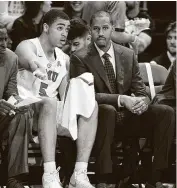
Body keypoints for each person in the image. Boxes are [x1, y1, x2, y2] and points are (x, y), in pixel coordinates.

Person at [70, 11, 175, 188]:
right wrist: (121, 99)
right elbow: (85, 96)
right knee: (108, 111)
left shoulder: (127, 54)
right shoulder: (79, 57)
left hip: (129, 116)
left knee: (165, 112)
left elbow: (141, 91)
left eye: (105, 28)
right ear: (90, 31)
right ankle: (105, 178)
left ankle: (156, 176)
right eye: (96, 29)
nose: (101, 33)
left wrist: (142, 102)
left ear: (112, 29)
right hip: (98, 118)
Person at [15, 9, 98, 188]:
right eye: (59, 28)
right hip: (24, 111)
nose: (64, 33)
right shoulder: (28, 45)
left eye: (67, 29)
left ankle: (80, 173)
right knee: (49, 102)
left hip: (49, 114)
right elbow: (27, 58)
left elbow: (67, 97)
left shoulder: (64, 59)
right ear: (46, 27)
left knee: (91, 105)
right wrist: (35, 66)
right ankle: (50, 174)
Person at [0, 23, 31, 188]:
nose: (4, 44)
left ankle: (14, 179)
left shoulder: (11, 58)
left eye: (5, 39)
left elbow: (11, 92)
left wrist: (18, 102)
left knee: (22, 114)